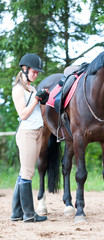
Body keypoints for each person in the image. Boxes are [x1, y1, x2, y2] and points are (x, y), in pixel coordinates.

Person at [11, 53, 49, 223]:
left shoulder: (32, 89)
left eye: (37, 72)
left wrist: (42, 102)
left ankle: (16, 212)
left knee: (24, 172)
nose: (36, 74)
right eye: (34, 71)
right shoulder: (18, 89)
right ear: (25, 69)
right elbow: (23, 114)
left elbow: (38, 114)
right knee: (28, 172)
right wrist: (35, 99)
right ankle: (28, 214)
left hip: (37, 131)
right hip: (26, 133)